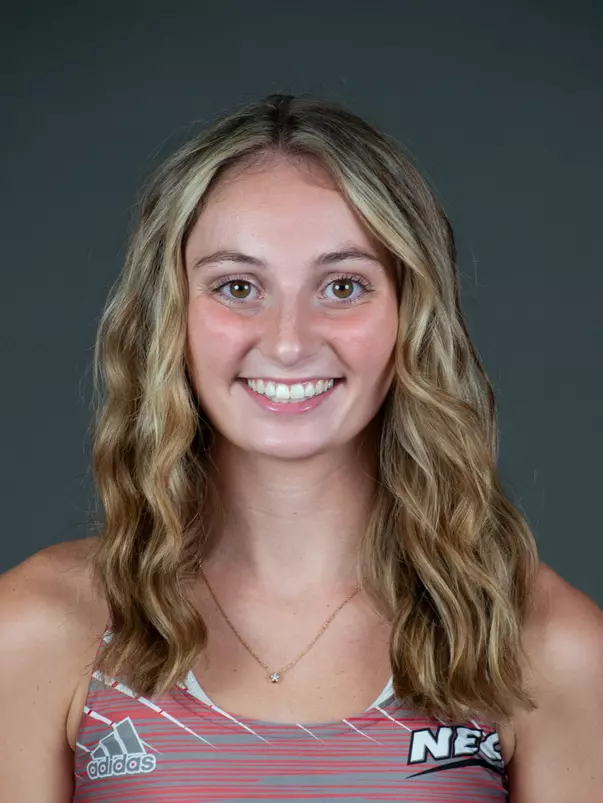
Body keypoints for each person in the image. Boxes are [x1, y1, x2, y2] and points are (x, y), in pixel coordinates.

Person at [1, 93, 601, 803]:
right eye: (237, 286)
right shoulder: (39, 628)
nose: (288, 341)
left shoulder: (541, 641)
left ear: (409, 314)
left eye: (342, 286)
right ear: (170, 317)